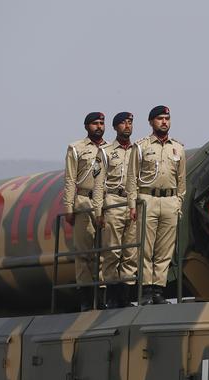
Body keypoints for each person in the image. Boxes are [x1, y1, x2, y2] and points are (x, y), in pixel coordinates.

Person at [124, 105, 186, 305]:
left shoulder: (178, 148)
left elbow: (182, 179)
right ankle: (146, 290)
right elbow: (132, 178)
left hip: (169, 200)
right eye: (160, 119)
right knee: (146, 248)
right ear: (151, 122)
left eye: (167, 118)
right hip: (147, 199)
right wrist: (132, 204)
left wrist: (179, 201)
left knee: (164, 248)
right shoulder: (141, 147)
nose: (164, 122)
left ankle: (158, 290)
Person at [92, 112, 138, 308]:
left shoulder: (139, 150)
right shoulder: (106, 151)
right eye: (123, 123)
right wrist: (98, 211)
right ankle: (111, 295)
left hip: (132, 202)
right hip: (113, 200)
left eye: (130, 123)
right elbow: (98, 183)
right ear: (115, 127)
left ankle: (125, 297)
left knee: (130, 252)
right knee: (112, 251)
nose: (127, 126)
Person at [63, 112, 106, 311]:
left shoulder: (110, 149)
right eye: (95, 123)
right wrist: (69, 207)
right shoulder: (76, 148)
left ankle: (103, 296)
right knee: (84, 253)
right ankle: (86, 298)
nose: (99, 126)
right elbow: (70, 179)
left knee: (105, 252)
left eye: (102, 123)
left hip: (106, 202)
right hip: (83, 200)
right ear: (87, 126)